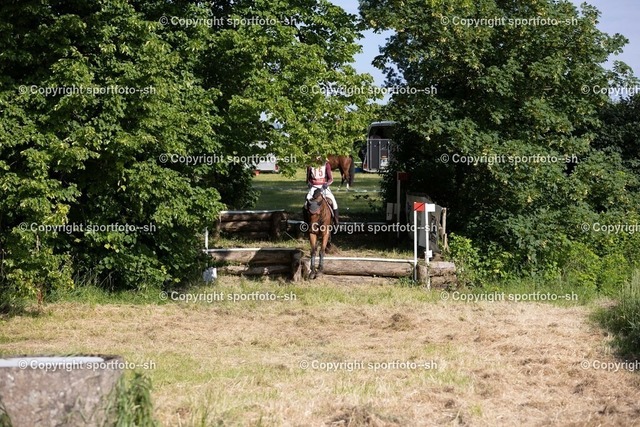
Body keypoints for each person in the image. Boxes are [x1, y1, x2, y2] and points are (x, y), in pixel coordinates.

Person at [305, 155, 339, 225]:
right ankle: (306, 222)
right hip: (314, 187)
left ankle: (336, 221)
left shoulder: (326, 165)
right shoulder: (310, 165)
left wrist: (324, 186)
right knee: (306, 204)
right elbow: (308, 179)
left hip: (324, 187)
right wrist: (310, 184)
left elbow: (331, 179)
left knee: (334, 202)